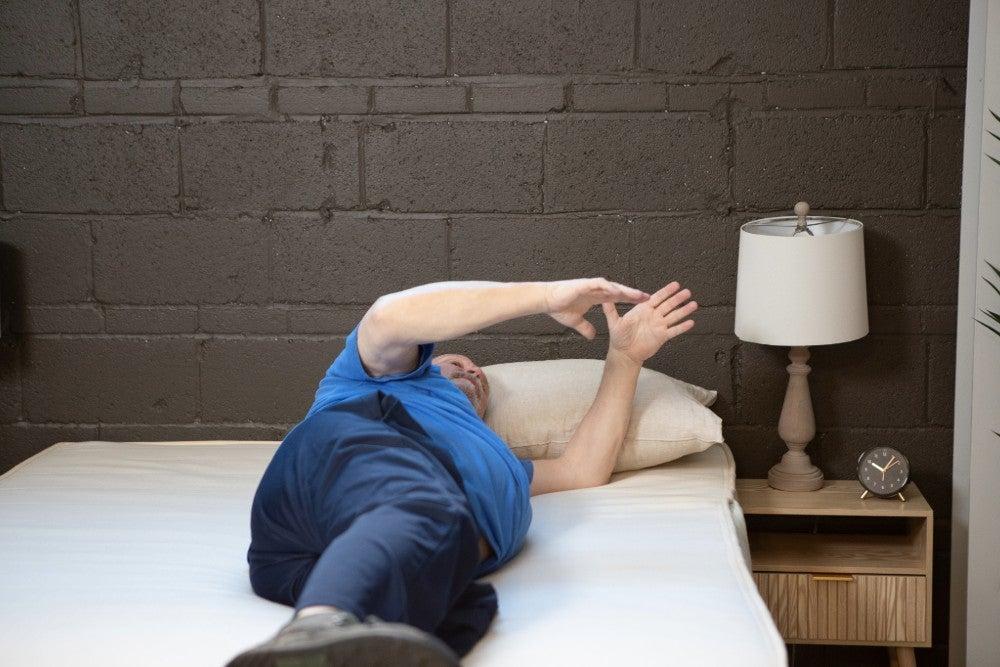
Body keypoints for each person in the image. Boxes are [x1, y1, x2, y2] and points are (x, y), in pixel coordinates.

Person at [227, 278, 698, 667]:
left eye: (482, 378)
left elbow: (584, 468)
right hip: (327, 480)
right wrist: (547, 297)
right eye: (458, 363)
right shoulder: (375, 380)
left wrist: (626, 358)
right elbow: (389, 316)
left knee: (466, 610)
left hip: (341, 565)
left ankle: (332, 624)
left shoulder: (504, 465)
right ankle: (311, 631)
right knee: (427, 509)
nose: (474, 371)